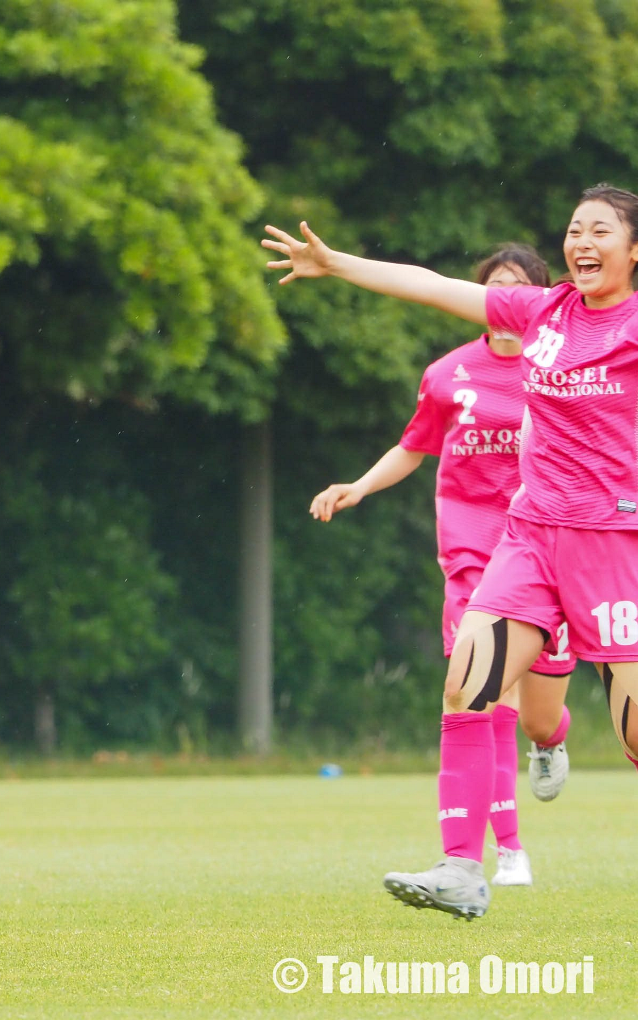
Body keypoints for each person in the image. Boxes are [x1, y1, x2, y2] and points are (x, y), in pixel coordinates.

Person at [264, 184, 638, 920]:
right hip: (528, 537)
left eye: (601, 231)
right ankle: (463, 869)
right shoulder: (541, 311)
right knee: (467, 684)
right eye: (574, 230)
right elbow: (434, 287)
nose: (582, 243)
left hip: (613, 546)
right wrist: (337, 263)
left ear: (634, 250)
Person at [309, 244, 575, 889]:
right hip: (473, 556)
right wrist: (359, 487)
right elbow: (413, 447)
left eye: (519, 287)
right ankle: (495, 853)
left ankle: (551, 742)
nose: (506, 299)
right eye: (496, 288)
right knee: (476, 692)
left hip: (549, 546)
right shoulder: (448, 374)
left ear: (538, 299)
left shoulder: (565, 371)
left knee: (537, 714)